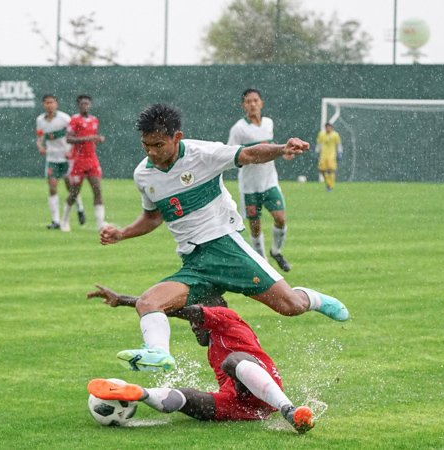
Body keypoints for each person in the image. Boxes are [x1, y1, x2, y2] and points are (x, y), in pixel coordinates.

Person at [100, 103, 349, 372]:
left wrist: (281, 149)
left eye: (158, 145)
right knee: (149, 302)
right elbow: (153, 216)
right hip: (194, 263)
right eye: (145, 145)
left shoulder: (203, 154)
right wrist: (122, 233)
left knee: (291, 306)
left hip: (226, 248)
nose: (151, 152)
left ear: (177, 137)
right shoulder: (143, 174)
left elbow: (250, 153)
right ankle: (158, 353)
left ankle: (318, 299)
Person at [86, 285, 314, 434]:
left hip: (264, 387)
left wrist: (128, 300)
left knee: (232, 362)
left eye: (198, 321)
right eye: (193, 324)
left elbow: (181, 311)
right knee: (189, 397)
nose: (194, 327)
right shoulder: (213, 344)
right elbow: (186, 314)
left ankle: (289, 411)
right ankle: (141, 393)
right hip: (240, 405)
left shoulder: (227, 317)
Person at [228, 88, 291, 272]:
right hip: (249, 186)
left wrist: (283, 153)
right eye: (248, 101)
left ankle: (276, 251)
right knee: (255, 227)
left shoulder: (268, 123)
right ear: (243, 106)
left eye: (256, 100)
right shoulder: (239, 128)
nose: (253, 104)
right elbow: (231, 153)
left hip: (269, 182)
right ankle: (263, 262)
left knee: (280, 218)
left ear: (261, 103)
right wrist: (250, 155)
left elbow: (271, 148)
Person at [35, 94, 85, 230]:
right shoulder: (40, 120)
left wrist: (70, 150)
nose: (49, 105)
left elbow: (74, 134)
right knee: (52, 187)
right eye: (47, 103)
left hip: (66, 157)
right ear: (43, 104)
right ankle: (55, 220)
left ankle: (80, 207)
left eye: (52, 102)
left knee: (71, 187)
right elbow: (39, 135)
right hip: (52, 158)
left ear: (56, 104)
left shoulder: (64, 118)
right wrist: (40, 146)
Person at [65, 94, 106, 232]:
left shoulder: (94, 120)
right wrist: (88, 138)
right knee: (74, 192)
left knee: (97, 190)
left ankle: (100, 224)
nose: (85, 106)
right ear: (78, 105)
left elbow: (92, 138)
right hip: (78, 160)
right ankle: (64, 220)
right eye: (82, 104)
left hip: (92, 159)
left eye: (87, 103)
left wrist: (97, 139)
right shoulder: (74, 120)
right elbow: (69, 139)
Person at [315, 122, 343, 192]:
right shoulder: (321, 134)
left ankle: (330, 186)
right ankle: (328, 184)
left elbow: (338, 144)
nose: (328, 128)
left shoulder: (335, 135)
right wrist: (316, 152)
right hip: (323, 155)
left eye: (329, 127)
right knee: (322, 171)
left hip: (332, 156)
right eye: (326, 127)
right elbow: (319, 144)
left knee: (331, 171)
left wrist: (340, 153)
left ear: (331, 128)